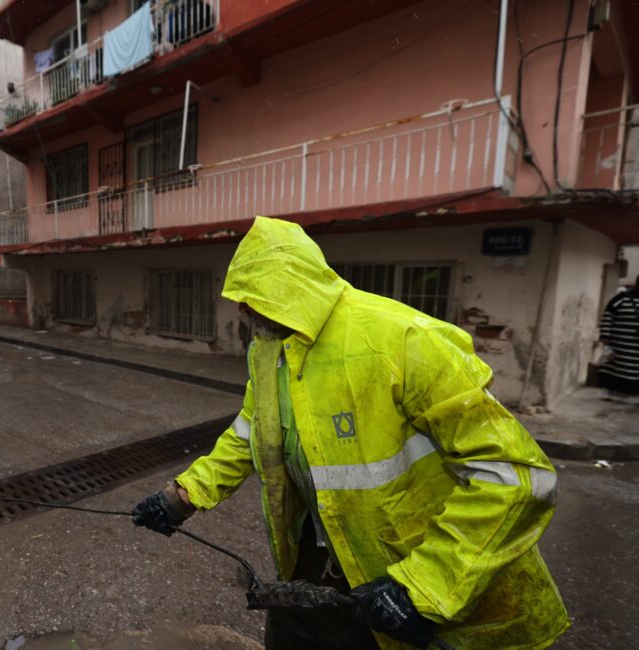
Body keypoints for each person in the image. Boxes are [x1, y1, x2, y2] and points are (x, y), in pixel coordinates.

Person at [132, 218, 568, 649]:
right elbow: (250, 433)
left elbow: (516, 477)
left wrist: (420, 586)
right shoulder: (269, 351)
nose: (243, 310)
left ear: (293, 292)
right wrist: (181, 498)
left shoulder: (404, 340)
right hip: (316, 559)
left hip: (406, 570)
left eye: (253, 298)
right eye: (241, 299)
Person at [597, 278, 639, 398]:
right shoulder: (621, 298)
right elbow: (608, 316)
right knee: (611, 366)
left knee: (634, 370)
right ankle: (606, 390)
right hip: (618, 343)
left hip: (636, 347)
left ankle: (631, 391)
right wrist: (605, 335)